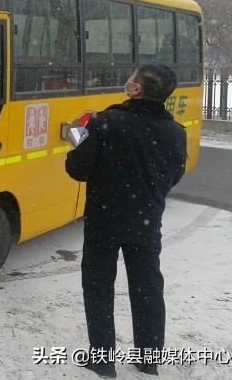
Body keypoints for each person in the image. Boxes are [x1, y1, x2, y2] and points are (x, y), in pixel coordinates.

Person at [65, 63, 187, 378]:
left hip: (103, 222)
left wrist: (78, 139)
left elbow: (77, 169)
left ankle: (102, 359)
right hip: (146, 222)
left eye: (131, 78)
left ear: (136, 89)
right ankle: (148, 358)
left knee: (98, 285)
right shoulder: (176, 132)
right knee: (147, 286)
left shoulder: (104, 123)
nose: (127, 81)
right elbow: (174, 175)